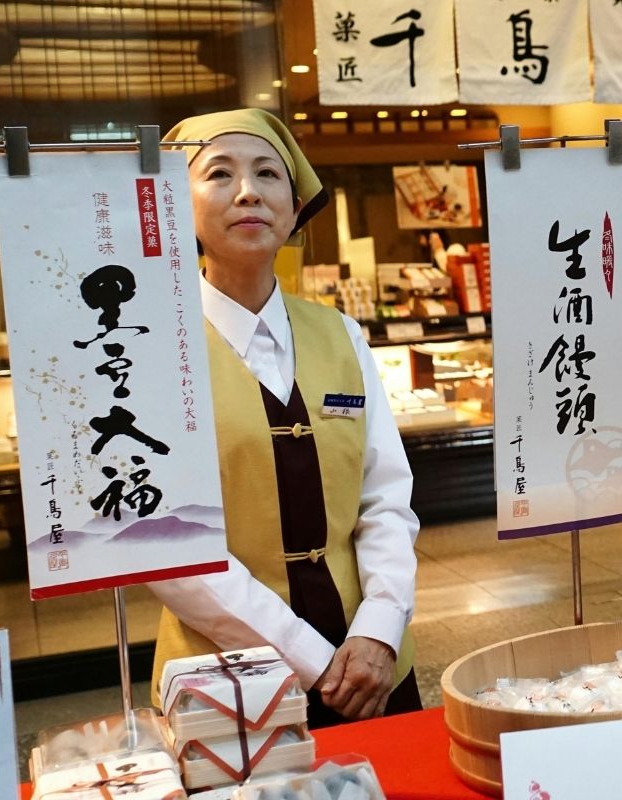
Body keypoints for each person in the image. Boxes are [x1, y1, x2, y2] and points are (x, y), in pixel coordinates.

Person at [146, 108, 420, 726]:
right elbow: (174, 548)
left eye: (267, 173)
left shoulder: (339, 334)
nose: (248, 191)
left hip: (373, 669)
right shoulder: (152, 350)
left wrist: (379, 630)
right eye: (219, 173)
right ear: (176, 202)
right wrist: (312, 660)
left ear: (293, 207)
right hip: (228, 681)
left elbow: (385, 498)